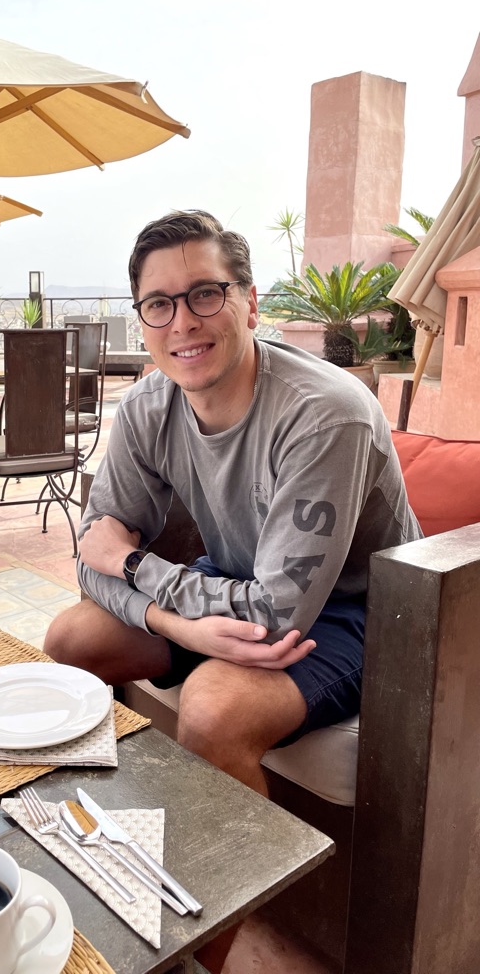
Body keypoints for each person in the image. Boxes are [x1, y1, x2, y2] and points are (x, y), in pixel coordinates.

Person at [44, 209, 421, 796]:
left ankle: (247, 859)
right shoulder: (148, 407)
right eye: (159, 303)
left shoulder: (325, 416)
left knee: (212, 709)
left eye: (205, 294)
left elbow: (275, 614)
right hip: (236, 582)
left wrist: (135, 564)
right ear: (142, 319)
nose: (183, 323)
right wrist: (178, 626)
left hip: (359, 610)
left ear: (249, 304)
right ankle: (109, 808)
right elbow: (93, 559)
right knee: (71, 640)